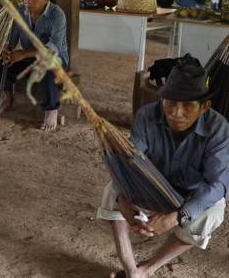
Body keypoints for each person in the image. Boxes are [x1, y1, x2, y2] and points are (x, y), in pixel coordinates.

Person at [97, 56, 229, 278]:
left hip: (191, 194)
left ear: (204, 107)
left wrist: (176, 217)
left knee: (213, 212)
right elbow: (129, 161)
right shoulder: (147, 116)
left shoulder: (218, 130)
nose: (176, 112)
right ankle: (132, 272)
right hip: (154, 184)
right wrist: (124, 202)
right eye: (170, 102)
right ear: (162, 100)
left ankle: (147, 269)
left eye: (187, 105)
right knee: (112, 191)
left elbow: (217, 184)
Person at [0, 0, 69, 132]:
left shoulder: (57, 15)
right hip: (28, 59)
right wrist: (7, 50)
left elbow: (53, 48)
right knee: (0, 62)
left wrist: (23, 54)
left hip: (53, 59)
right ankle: (7, 97)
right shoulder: (20, 11)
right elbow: (11, 40)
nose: (28, 0)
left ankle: (51, 109)